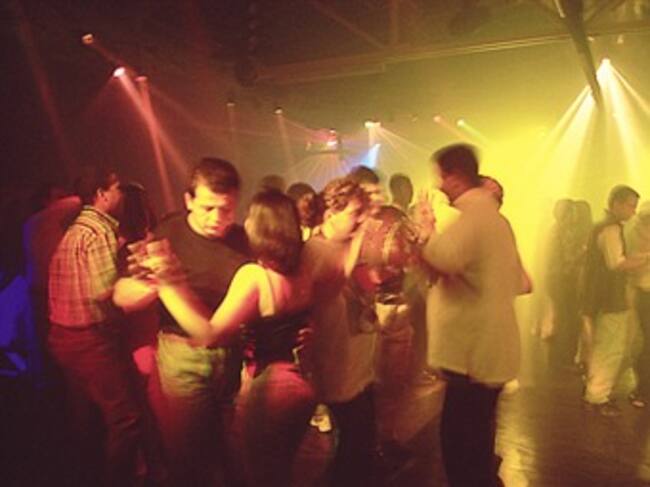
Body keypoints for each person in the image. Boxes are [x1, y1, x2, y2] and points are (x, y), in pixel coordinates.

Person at [148, 190, 316, 487]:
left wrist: (166, 286)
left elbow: (209, 335)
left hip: (268, 388)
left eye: (250, 216)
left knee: (256, 473)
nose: (244, 222)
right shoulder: (304, 269)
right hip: (303, 382)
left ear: (262, 227)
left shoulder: (255, 276)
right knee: (281, 470)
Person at [113, 158, 249, 486]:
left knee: (233, 454)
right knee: (188, 455)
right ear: (189, 200)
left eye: (226, 210)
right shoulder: (166, 235)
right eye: (208, 208)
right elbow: (122, 296)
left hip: (233, 357)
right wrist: (157, 283)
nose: (217, 219)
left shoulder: (243, 240)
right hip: (183, 356)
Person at [422, 144, 527, 487]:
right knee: (479, 433)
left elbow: (443, 259)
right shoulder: (494, 220)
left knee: (460, 440)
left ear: (454, 176)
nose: (438, 185)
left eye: (440, 176)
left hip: (472, 352)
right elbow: (519, 281)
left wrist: (426, 230)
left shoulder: (473, 218)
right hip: (487, 347)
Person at [47, 166, 143, 486]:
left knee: (87, 418)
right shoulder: (99, 230)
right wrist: (141, 277)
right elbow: (104, 291)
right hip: (88, 341)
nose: (121, 194)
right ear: (102, 195)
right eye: (117, 188)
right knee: (125, 419)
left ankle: (82, 475)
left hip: (62, 336)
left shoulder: (76, 229)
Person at [303, 177, 379, 486]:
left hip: (361, 363)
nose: (361, 220)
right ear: (330, 213)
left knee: (361, 446)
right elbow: (329, 288)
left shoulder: (350, 246)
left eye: (363, 212)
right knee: (352, 448)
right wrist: (360, 240)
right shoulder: (314, 250)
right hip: (337, 366)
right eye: (354, 213)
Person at [581, 185, 648, 416]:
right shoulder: (610, 229)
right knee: (610, 348)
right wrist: (646, 258)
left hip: (601, 297)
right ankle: (598, 397)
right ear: (616, 204)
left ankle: (596, 391)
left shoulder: (605, 227)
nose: (633, 211)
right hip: (610, 297)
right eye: (630, 206)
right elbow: (616, 263)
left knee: (605, 346)